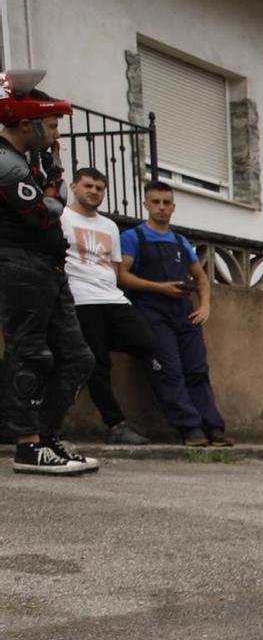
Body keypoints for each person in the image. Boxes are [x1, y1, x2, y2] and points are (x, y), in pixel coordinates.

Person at [0, 68, 98, 477]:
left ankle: (45, 436)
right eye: (52, 125)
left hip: (46, 266)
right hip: (19, 263)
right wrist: (51, 194)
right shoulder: (6, 162)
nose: (57, 135)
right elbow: (44, 214)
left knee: (78, 356)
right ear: (26, 124)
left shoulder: (28, 161)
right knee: (30, 351)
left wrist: (49, 181)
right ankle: (26, 446)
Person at [119, 180, 229, 448]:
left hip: (184, 313)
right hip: (151, 312)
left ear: (173, 207)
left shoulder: (180, 241)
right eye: (155, 202)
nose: (161, 208)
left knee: (197, 370)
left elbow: (201, 278)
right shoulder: (133, 237)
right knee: (169, 371)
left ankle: (213, 427)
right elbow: (121, 276)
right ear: (146, 204)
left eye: (166, 203)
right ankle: (190, 429)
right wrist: (160, 288)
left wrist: (205, 307)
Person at [62, 166, 157, 445]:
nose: (94, 192)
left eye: (99, 188)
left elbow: (114, 267)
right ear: (75, 186)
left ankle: (83, 345)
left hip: (112, 298)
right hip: (80, 299)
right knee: (98, 364)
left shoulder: (110, 226)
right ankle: (115, 424)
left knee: (146, 341)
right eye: (88, 186)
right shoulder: (62, 217)